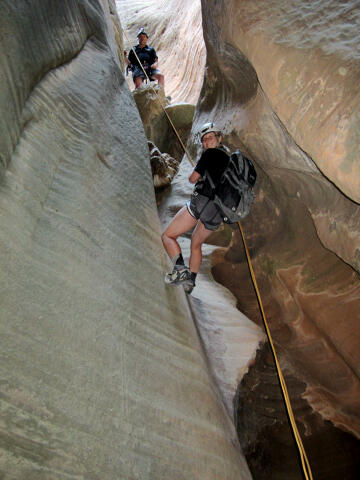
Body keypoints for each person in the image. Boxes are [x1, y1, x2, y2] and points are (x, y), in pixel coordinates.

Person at [161, 123, 230, 294]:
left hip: (202, 202)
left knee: (168, 236)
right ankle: (190, 282)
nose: (207, 141)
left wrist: (198, 173)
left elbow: (192, 178)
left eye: (210, 137)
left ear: (218, 138)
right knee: (196, 243)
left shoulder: (209, 155)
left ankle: (180, 271)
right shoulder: (229, 159)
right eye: (204, 140)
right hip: (218, 211)